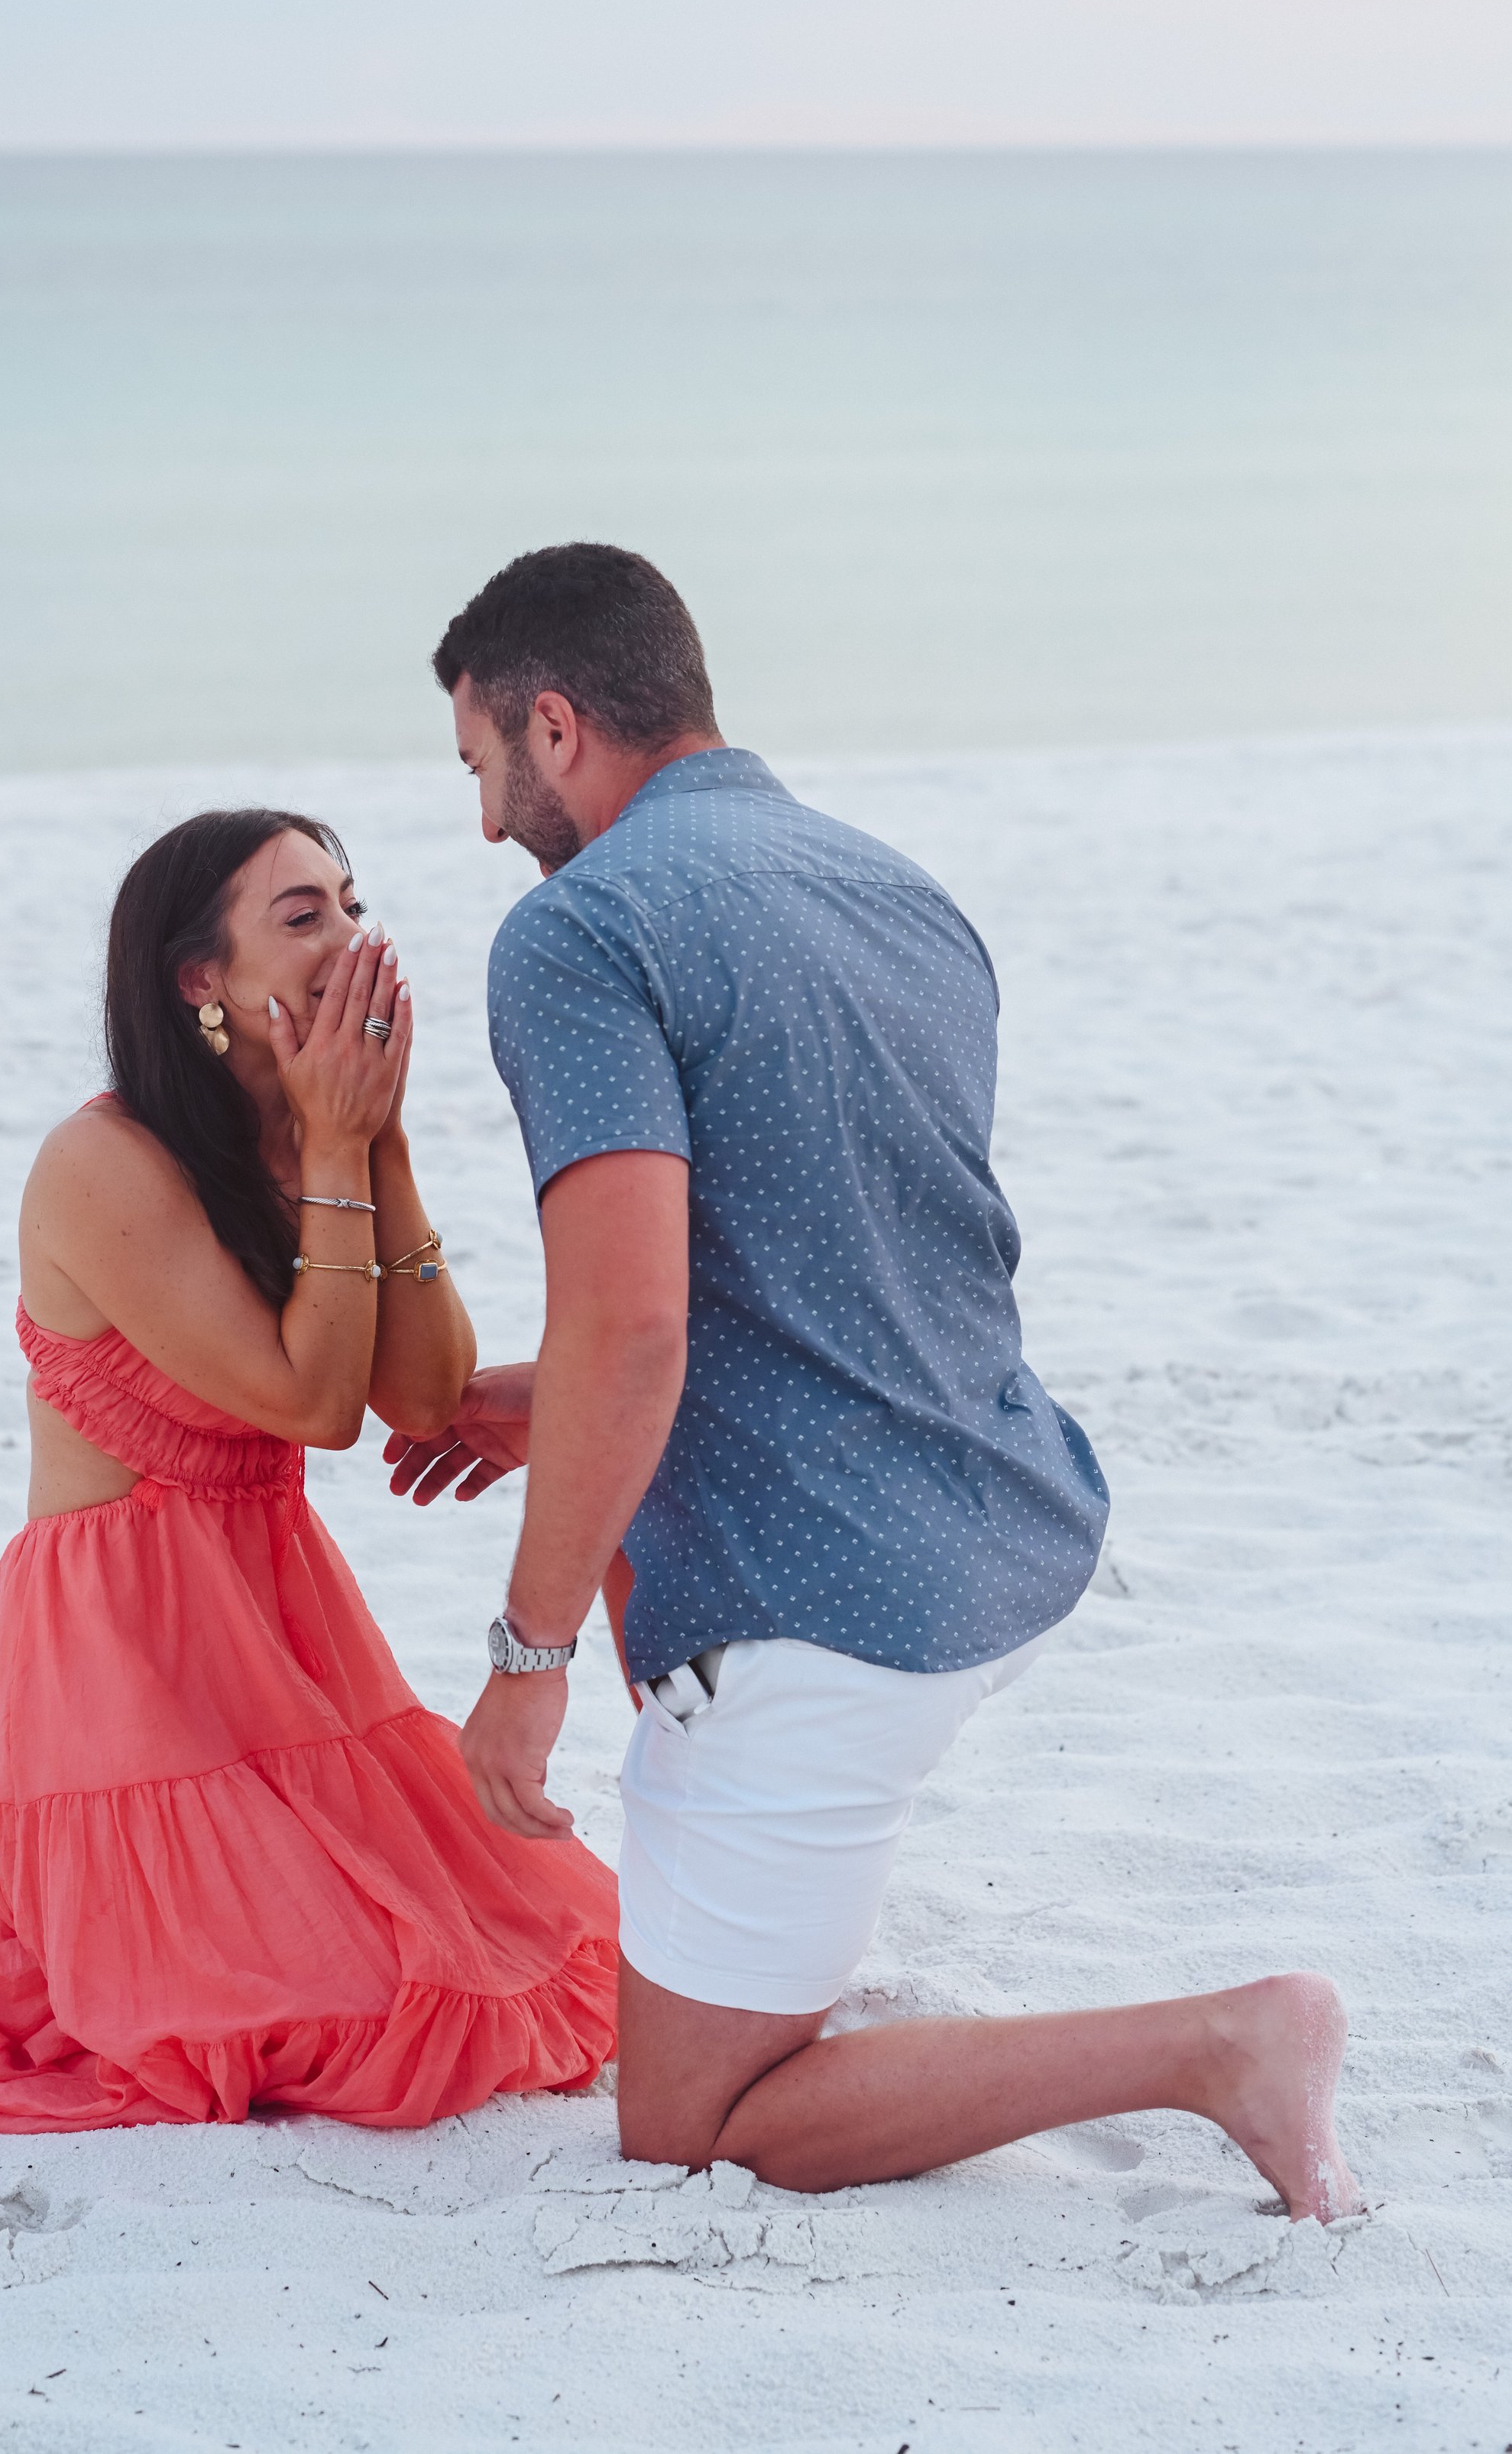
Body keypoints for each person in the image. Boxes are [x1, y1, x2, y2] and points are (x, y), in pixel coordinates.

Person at [387, 543, 1359, 2219]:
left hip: (832, 1608)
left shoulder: (578, 933)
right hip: (1000, 1524)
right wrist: (550, 1402)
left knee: (690, 2120)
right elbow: (844, 1258)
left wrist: (525, 1655)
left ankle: (1220, 2046)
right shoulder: (890, 887)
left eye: (479, 768)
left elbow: (641, 1330)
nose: (484, 826)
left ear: (552, 727)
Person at [0, 809, 617, 2132]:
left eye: (350, 901)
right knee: (347, 2009)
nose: (350, 938)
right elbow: (318, 1403)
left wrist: (379, 1140)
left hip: (279, 1630)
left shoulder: (306, 1134)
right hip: (122, 1667)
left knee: (521, 1947)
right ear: (198, 981)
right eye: (301, 916)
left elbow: (423, 1389)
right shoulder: (101, 1162)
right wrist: (341, 1145)